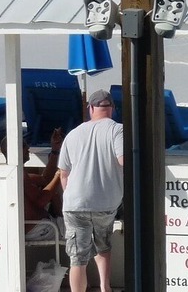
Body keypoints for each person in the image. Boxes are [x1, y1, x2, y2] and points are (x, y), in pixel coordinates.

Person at [58, 90, 124, 292]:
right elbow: (124, 161)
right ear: (112, 108)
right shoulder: (117, 130)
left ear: (91, 109)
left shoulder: (73, 134)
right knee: (103, 244)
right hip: (106, 202)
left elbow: (64, 174)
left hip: (75, 203)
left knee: (77, 258)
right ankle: (105, 287)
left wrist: (72, 196)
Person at [0, 127, 65, 240]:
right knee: (55, 192)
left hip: (42, 226)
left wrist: (55, 151)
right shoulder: (19, 175)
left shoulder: (14, 173)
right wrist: (59, 175)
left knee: (53, 188)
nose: (28, 148)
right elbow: (41, 201)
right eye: (24, 146)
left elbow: (45, 179)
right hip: (41, 229)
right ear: (16, 150)